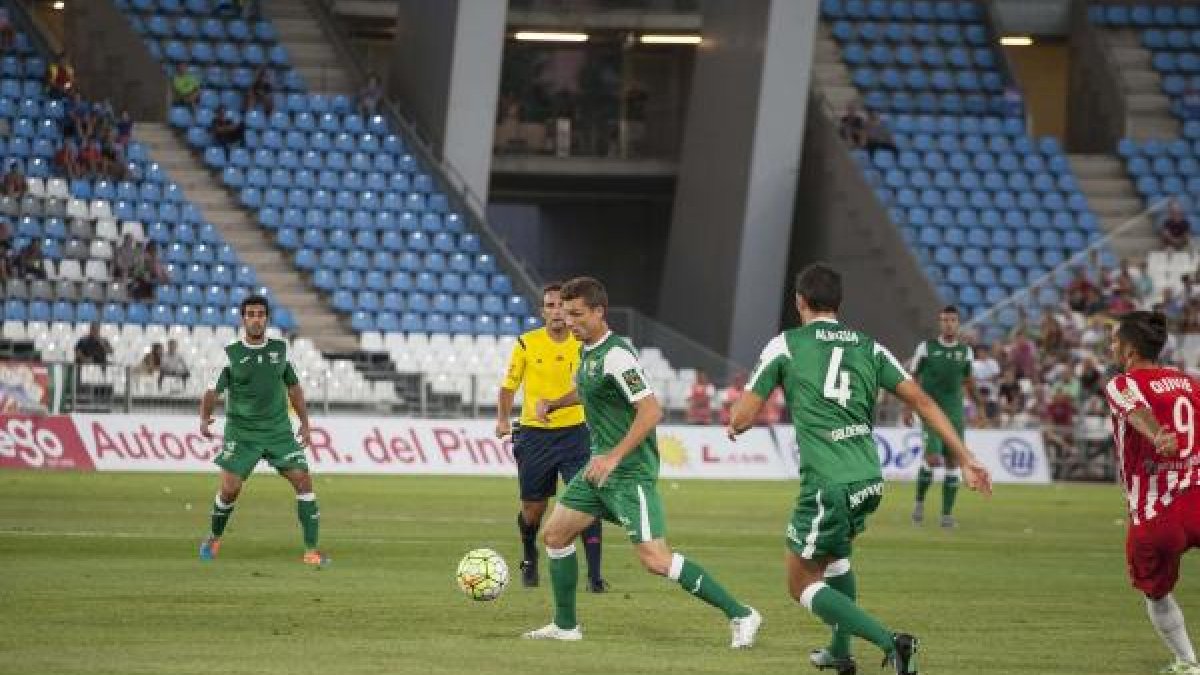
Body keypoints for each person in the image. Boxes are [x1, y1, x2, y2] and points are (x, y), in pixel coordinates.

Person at [726, 263, 991, 675]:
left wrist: (737, 422)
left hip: (827, 482)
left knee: (800, 583)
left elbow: (742, 418)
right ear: (839, 304)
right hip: (868, 477)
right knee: (836, 561)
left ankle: (893, 643)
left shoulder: (786, 345)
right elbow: (920, 400)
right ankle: (839, 652)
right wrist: (967, 457)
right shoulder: (870, 347)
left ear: (799, 301)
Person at [523, 277, 760, 646]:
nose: (569, 322)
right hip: (598, 471)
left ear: (599, 312)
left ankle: (741, 613)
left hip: (629, 473)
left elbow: (651, 411)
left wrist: (615, 458)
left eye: (577, 314)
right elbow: (591, 391)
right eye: (565, 314)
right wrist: (556, 403)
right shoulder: (588, 352)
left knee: (655, 560)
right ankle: (566, 626)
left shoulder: (618, 355)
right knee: (554, 535)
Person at [1104, 311, 1200, 675]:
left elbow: (1136, 411)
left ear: (1128, 348)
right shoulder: (1189, 383)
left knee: (1155, 590)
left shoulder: (1121, 383)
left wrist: (1156, 433)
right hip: (1198, 498)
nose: (1112, 347)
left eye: (1115, 340)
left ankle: (1188, 662)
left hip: (1156, 513)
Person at [199, 295, 327, 566]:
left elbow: (294, 388)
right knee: (230, 489)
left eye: (260, 314)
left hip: (278, 431)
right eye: (250, 314)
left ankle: (311, 550)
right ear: (243, 318)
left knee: (303, 480)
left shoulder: (280, 350)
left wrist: (305, 424)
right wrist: (204, 418)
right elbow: (212, 390)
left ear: (267, 318)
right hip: (242, 432)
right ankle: (213, 537)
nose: (256, 319)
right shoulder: (230, 353)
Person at [495, 282, 607, 593]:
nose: (557, 312)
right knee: (533, 509)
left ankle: (595, 576)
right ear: (543, 311)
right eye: (550, 306)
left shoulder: (583, 344)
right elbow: (508, 387)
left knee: (587, 500)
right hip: (534, 435)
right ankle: (529, 555)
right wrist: (503, 419)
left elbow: (591, 387)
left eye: (562, 306)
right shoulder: (527, 343)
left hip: (576, 434)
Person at [905, 305, 984, 528]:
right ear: (940, 323)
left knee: (953, 464)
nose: (948, 324)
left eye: (952, 320)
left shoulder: (965, 352)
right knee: (933, 459)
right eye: (944, 320)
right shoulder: (926, 348)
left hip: (955, 415)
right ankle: (919, 501)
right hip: (931, 413)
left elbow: (969, 383)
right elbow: (912, 379)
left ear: (958, 324)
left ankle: (946, 515)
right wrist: (908, 407)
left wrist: (981, 409)